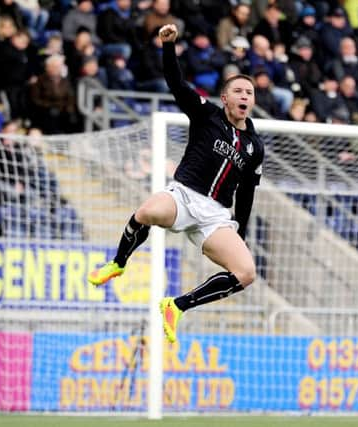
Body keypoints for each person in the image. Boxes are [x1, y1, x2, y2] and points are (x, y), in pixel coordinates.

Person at [87, 24, 264, 343]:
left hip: (216, 216)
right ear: (225, 98)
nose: (244, 96)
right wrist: (168, 46)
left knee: (246, 272)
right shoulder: (206, 115)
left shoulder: (255, 147)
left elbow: (247, 193)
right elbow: (176, 83)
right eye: (238, 91)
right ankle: (118, 263)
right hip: (184, 197)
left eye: (248, 93)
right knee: (147, 211)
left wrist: (242, 233)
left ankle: (177, 306)